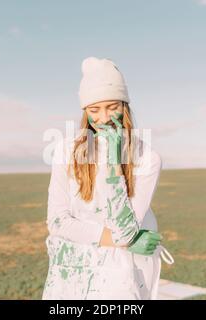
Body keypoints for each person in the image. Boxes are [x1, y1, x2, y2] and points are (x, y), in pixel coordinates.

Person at [42, 56, 173, 300]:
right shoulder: (65, 151)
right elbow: (57, 222)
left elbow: (124, 232)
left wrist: (114, 164)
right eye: (94, 109)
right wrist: (121, 241)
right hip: (71, 274)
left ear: (125, 106)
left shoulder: (148, 158)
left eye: (112, 107)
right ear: (85, 112)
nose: (103, 118)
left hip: (119, 276)